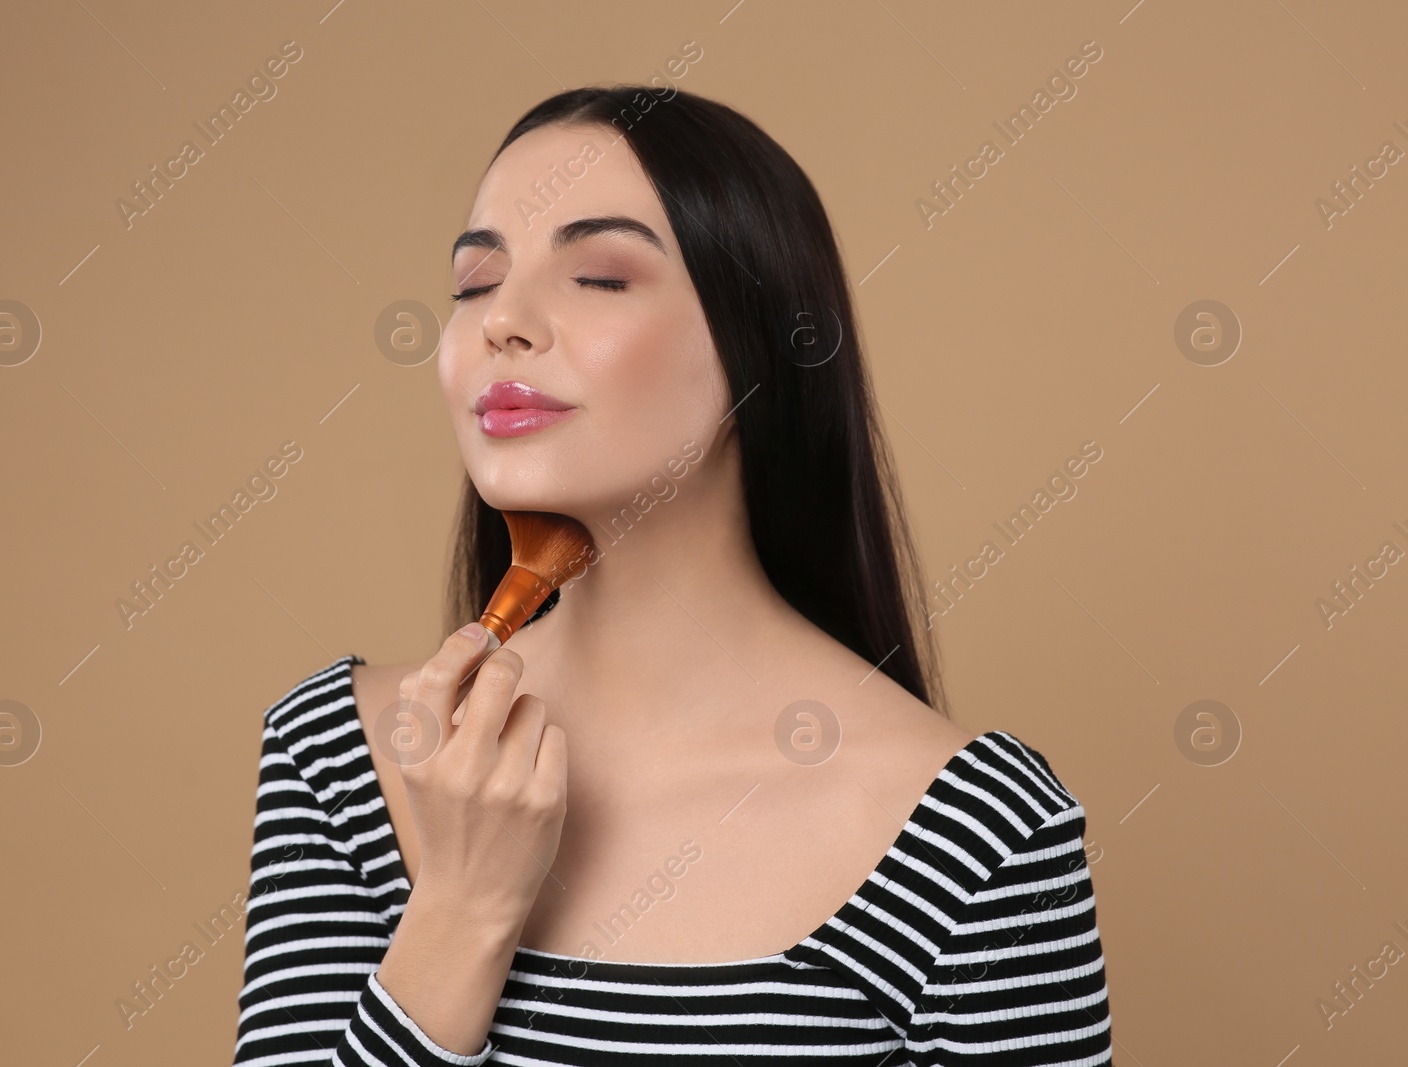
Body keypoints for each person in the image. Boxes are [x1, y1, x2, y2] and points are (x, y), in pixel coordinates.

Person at [232, 84, 1112, 1065]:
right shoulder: (334, 754)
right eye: (475, 282)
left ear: (761, 351)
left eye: (599, 277)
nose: (503, 323)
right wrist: (460, 906)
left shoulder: (981, 833)